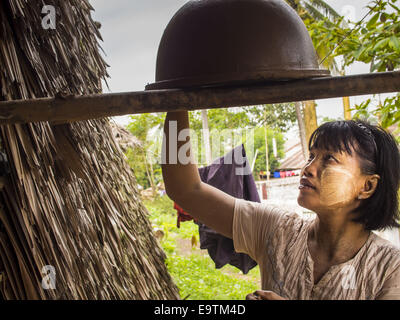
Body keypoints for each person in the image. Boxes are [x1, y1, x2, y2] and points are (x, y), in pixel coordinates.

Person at [161, 111, 400, 300]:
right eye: (311, 156)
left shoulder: (389, 269)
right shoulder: (277, 230)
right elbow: (186, 190)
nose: (308, 169)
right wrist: (178, 104)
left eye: (329, 159)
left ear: (367, 186)